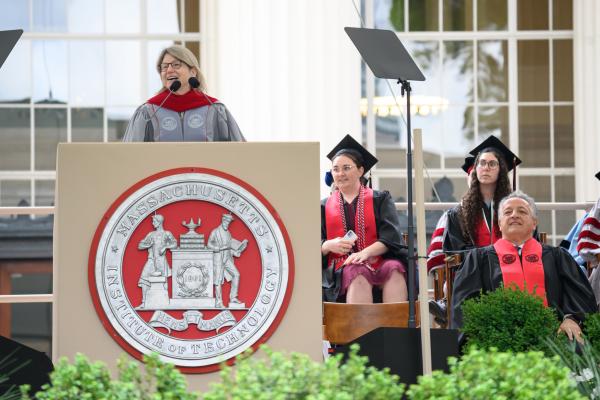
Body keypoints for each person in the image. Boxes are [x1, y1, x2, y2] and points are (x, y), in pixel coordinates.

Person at [451, 191, 597, 343]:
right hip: (497, 341)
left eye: (522, 211)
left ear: (534, 223)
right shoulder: (478, 259)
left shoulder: (557, 257)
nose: (514, 215)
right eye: (508, 212)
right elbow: (464, 306)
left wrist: (572, 319)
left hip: (553, 339)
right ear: (500, 224)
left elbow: (581, 296)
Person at [429, 136, 520, 325]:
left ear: (501, 170)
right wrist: (485, 257)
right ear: (475, 169)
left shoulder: (514, 209)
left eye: (492, 164)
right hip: (471, 273)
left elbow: (526, 241)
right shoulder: (458, 213)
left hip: (508, 266)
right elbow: (452, 251)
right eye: (482, 163)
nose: (486, 167)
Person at [321, 134, 408, 303]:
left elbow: (391, 238)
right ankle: (362, 330)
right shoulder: (323, 207)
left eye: (346, 168)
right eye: (336, 169)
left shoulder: (380, 199)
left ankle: (395, 328)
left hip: (377, 260)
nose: (340, 174)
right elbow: (311, 246)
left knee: (395, 268)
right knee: (357, 271)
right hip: (340, 268)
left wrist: (365, 253)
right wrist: (328, 245)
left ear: (361, 170)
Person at [123, 45, 245, 142]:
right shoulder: (148, 111)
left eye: (176, 65)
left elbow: (239, 150)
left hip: (205, 173)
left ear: (193, 72)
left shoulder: (214, 109)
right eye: (164, 67)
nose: (169, 70)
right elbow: (130, 154)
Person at [208, 213, 248, 308]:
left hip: (227, 258)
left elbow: (230, 247)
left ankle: (233, 297)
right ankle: (219, 302)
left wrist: (236, 252)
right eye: (226, 221)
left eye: (229, 222)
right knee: (218, 280)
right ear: (223, 220)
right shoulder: (215, 232)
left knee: (236, 274)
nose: (227, 223)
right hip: (218, 258)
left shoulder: (228, 233)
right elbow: (209, 244)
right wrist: (220, 248)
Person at [137, 214, 177, 307]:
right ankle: (144, 303)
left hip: (161, 260)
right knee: (144, 279)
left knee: (163, 281)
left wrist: (165, 247)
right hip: (151, 260)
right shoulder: (151, 234)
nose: (153, 223)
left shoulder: (166, 233)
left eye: (154, 221)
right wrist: (148, 245)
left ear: (159, 222)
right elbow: (140, 245)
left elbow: (174, 243)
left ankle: (164, 303)